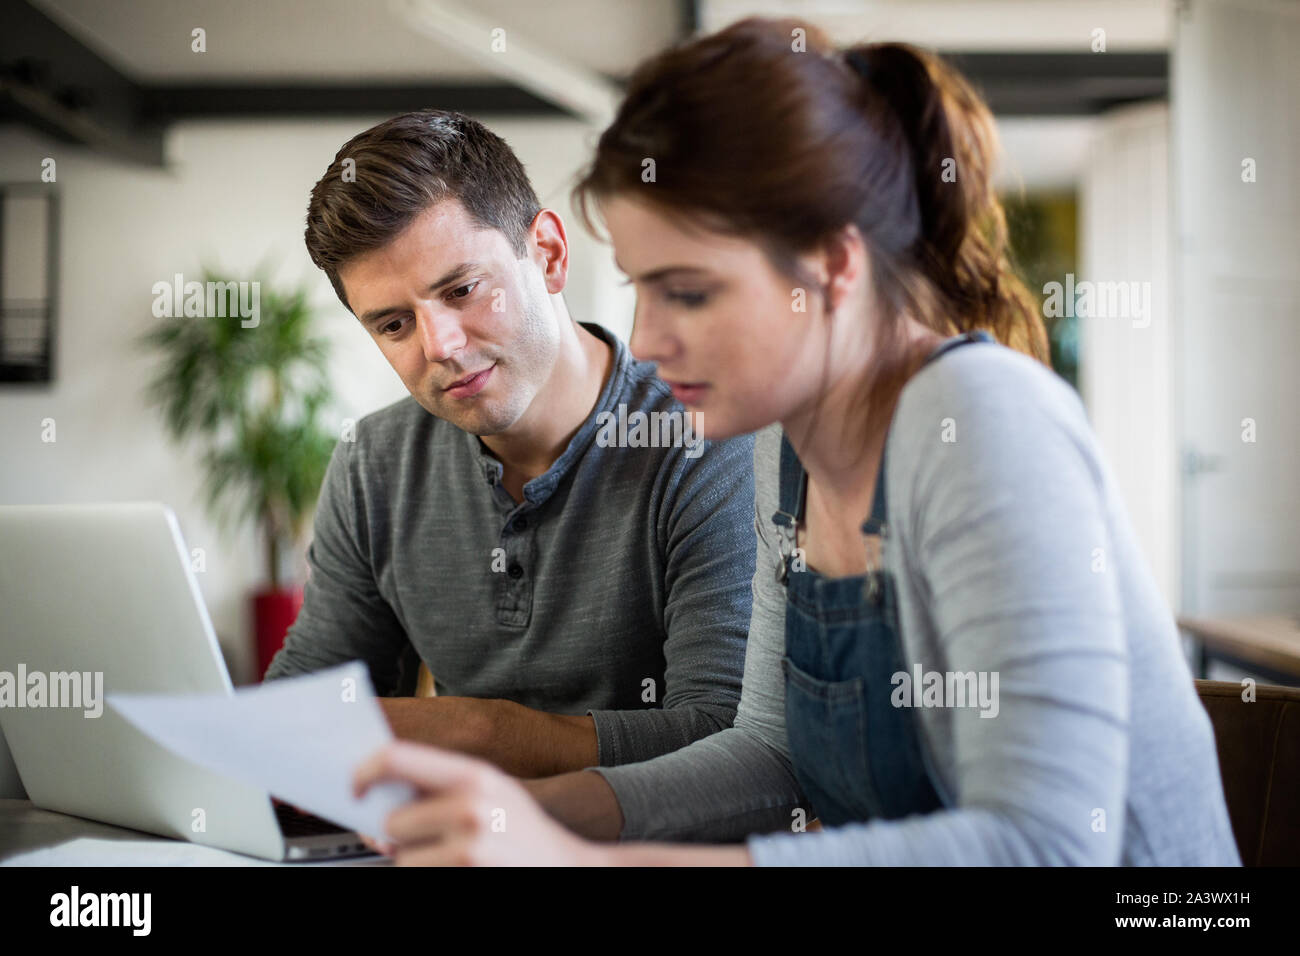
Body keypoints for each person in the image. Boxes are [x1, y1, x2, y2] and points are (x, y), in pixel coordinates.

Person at [351, 19, 1241, 865]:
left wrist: (580, 860)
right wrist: (521, 819)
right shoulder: (785, 449)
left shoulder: (977, 419)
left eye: (688, 292)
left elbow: (1043, 847)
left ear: (833, 264)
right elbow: (770, 756)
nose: (648, 339)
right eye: (639, 290)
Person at [266, 109, 757, 779]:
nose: (440, 346)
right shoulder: (374, 462)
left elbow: (728, 740)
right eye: (393, 324)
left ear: (548, 254)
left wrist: (481, 731)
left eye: (463, 289)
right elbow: (304, 706)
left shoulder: (706, 440)